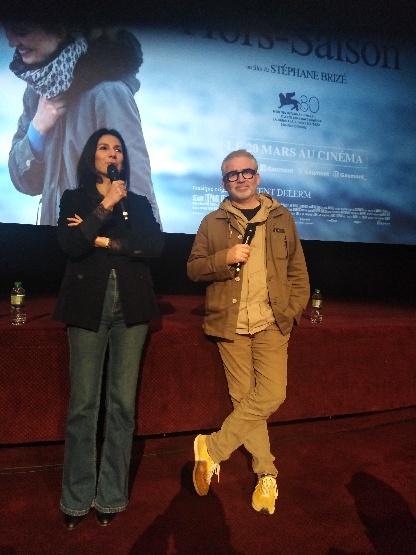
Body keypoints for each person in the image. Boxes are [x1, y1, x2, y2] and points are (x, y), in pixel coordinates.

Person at [187, 149, 310, 515]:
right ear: (223, 182)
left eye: (246, 172)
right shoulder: (212, 223)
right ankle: (266, 472)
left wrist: (293, 310)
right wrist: (222, 259)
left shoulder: (282, 218)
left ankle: (211, 448)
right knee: (245, 400)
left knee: (272, 394)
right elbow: (193, 269)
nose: (240, 179)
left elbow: (297, 271)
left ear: (257, 177)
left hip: (272, 321)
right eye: (231, 175)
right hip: (231, 325)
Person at [52, 128, 164, 530]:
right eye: (104, 148)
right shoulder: (74, 198)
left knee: (122, 405)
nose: (112, 153)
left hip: (131, 306)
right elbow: (70, 243)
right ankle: (77, 497)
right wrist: (104, 207)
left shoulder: (138, 202)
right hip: (87, 304)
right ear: (92, 157)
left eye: (118, 148)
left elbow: (152, 246)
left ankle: (112, 495)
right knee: (83, 405)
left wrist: (103, 241)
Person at [5, 9, 160, 225]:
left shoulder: (109, 94)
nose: (12, 42)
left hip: (96, 252)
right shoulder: (37, 93)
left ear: (60, 30)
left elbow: (137, 190)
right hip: (55, 247)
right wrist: (37, 130)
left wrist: (145, 253)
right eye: (7, 31)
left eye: (22, 31)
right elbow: (24, 182)